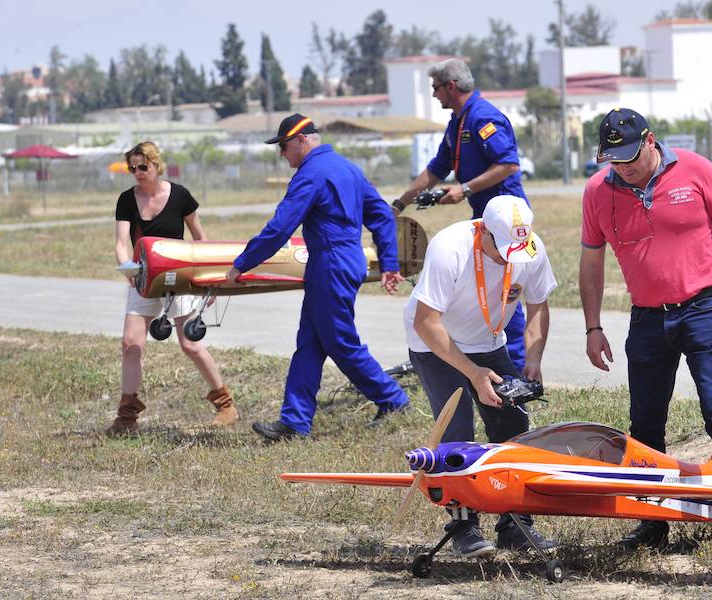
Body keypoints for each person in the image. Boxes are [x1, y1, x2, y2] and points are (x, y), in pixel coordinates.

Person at [579, 108, 712, 550]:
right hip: (646, 317)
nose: (622, 167)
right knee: (645, 421)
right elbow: (591, 260)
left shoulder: (695, 169)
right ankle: (652, 519)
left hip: (703, 306)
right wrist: (592, 326)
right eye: (613, 159)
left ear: (650, 141)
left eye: (629, 156)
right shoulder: (597, 192)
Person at [226, 114, 409, 441]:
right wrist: (389, 261)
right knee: (310, 343)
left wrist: (242, 263)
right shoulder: (347, 168)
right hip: (344, 260)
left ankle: (393, 399)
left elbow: (281, 227)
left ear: (301, 140)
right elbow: (381, 214)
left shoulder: (311, 174)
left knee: (339, 341)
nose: (282, 154)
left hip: (331, 263)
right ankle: (295, 422)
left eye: (283, 146)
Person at [405, 195, 558, 558]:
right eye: (503, 249)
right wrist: (473, 374)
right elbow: (426, 322)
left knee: (515, 429)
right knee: (457, 433)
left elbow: (538, 307)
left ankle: (516, 525)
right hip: (436, 343)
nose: (510, 258)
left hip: (487, 341)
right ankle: (463, 526)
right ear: (483, 230)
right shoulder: (450, 247)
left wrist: (533, 359)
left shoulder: (531, 249)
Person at [392, 58, 529, 374]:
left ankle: (516, 371)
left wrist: (464, 189)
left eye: (435, 88)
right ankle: (487, 362)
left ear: (450, 86)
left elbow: (508, 165)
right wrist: (399, 204)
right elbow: (435, 171)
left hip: (506, 218)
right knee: (488, 289)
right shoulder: (458, 122)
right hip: (483, 217)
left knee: (507, 290)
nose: (434, 94)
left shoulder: (483, 118)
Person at [110, 141, 238, 435]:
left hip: (178, 277)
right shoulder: (126, 200)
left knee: (190, 344)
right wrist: (126, 268)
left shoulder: (180, 196)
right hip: (142, 277)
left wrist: (210, 282)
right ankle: (127, 416)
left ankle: (225, 403)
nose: (138, 172)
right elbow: (120, 242)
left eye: (143, 166)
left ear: (157, 165)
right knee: (131, 345)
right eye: (133, 167)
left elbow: (200, 240)